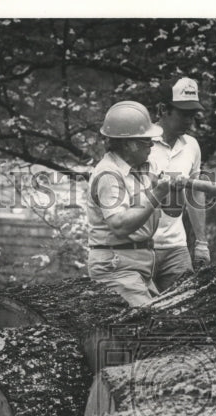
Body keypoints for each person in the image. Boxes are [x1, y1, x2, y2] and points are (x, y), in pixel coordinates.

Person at [85, 100, 183, 307]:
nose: (152, 145)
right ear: (129, 144)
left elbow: (172, 211)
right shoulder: (109, 174)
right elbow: (120, 225)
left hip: (139, 264)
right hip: (116, 266)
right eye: (147, 141)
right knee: (152, 324)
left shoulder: (143, 168)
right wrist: (156, 194)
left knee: (167, 317)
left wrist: (173, 191)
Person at [148, 77, 210, 292]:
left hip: (176, 247)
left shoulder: (192, 146)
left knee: (182, 310)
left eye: (193, 114)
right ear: (163, 109)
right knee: (138, 316)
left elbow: (195, 192)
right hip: (140, 247)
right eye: (184, 113)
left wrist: (201, 242)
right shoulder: (139, 143)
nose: (189, 120)